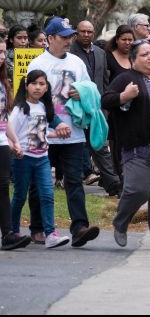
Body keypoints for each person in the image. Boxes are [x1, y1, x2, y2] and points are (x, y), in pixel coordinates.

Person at [28, 18, 101, 248]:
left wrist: (82, 94)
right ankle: (37, 227)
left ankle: (80, 227)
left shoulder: (77, 63)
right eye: (64, 37)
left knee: (74, 181)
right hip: (44, 132)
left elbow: (91, 88)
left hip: (73, 133)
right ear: (50, 39)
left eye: (70, 36)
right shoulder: (37, 64)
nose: (69, 40)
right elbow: (31, 98)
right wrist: (53, 124)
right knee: (38, 182)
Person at [102, 40, 150, 250]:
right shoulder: (126, 78)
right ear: (133, 60)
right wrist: (124, 96)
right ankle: (121, 221)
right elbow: (106, 100)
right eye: (144, 54)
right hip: (140, 148)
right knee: (137, 191)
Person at [10, 70, 71, 249]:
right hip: (23, 159)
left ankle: (50, 234)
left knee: (47, 195)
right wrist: (15, 147)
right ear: (26, 86)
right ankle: (13, 232)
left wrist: (56, 134)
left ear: (46, 88)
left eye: (42, 84)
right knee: (20, 196)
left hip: (42, 158)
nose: (37, 87)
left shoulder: (45, 107)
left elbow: (40, 134)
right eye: (34, 83)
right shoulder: (20, 109)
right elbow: (10, 132)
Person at [70, 20, 121, 197]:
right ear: (76, 33)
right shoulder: (70, 53)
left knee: (100, 146)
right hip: (74, 108)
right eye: (82, 31)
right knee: (73, 147)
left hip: (96, 108)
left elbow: (104, 83)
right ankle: (66, 178)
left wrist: (105, 108)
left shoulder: (100, 53)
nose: (86, 35)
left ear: (93, 33)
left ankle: (113, 184)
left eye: (89, 32)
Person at [0, 38, 29, 250]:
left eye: (3, 52)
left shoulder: (3, 82)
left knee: (3, 185)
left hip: (1, 138)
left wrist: (14, 140)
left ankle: (8, 234)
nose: (2, 57)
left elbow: (3, 117)